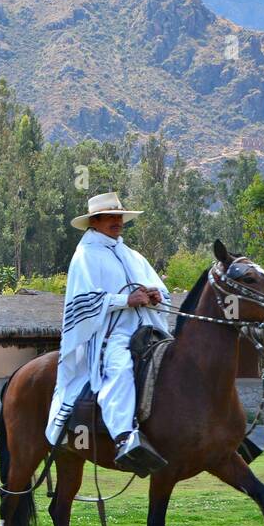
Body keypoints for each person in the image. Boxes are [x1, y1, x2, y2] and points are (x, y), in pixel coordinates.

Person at [45, 192, 171, 475]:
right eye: (110, 217)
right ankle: (124, 438)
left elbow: (163, 291)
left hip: (150, 330)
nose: (117, 222)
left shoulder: (134, 255)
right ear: (94, 222)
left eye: (119, 216)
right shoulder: (85, 255)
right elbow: (81, 303)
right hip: (112, 335)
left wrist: (156, 295)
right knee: (119, 366)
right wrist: (125, 300)